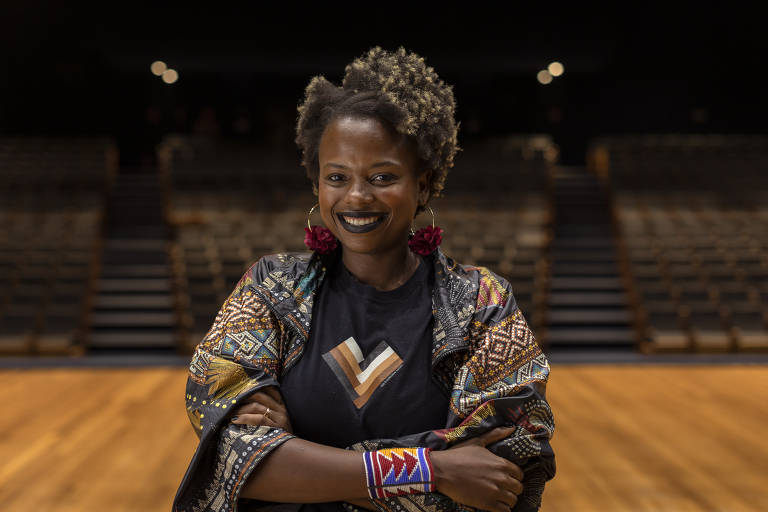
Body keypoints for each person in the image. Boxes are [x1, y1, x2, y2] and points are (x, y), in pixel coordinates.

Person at [173, 46, 555, 512]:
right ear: (317, 182)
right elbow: (231, 459)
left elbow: (501, 476)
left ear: (425, 183)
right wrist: (435, 468)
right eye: (336, 176)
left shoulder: (484, 303)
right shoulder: (269, 289)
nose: (356, 196)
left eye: (382, 176)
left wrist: (297, 457)